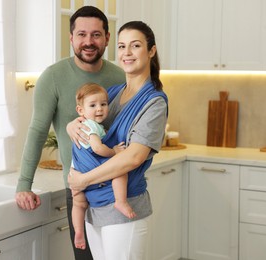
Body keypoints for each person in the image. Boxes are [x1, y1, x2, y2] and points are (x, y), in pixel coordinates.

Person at [15, 6, 125, 260]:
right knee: (85, 257)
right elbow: (37, 132)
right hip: (79, 186)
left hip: (118, 185)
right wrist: (24, 184)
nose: (88, 42)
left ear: (107, 38)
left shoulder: (119, 76)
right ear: (71, 38)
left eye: (96, 35)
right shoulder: (52, 77)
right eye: (82, 34)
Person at [67, 21, 168, 260]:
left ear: (151, 51)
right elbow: (86, 119)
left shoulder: (154, 102)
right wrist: (71, 124)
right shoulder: (110, 94)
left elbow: (133, 157)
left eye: (135, 46)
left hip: (124, 208)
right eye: (122, 46)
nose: (127, 53)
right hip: (95, 206)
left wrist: (83, 180)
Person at [72, 82, 135, 250]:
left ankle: (78, 231)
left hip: (76, 171)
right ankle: (120, 201)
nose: (99, 109)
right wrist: (115, 152)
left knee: (78, 203)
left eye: (103, 104)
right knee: (120, 170)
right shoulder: (91, 125)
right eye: (93, 105)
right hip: (88, 169)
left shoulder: (86, 125)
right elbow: (97, 148)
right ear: (81, 111)